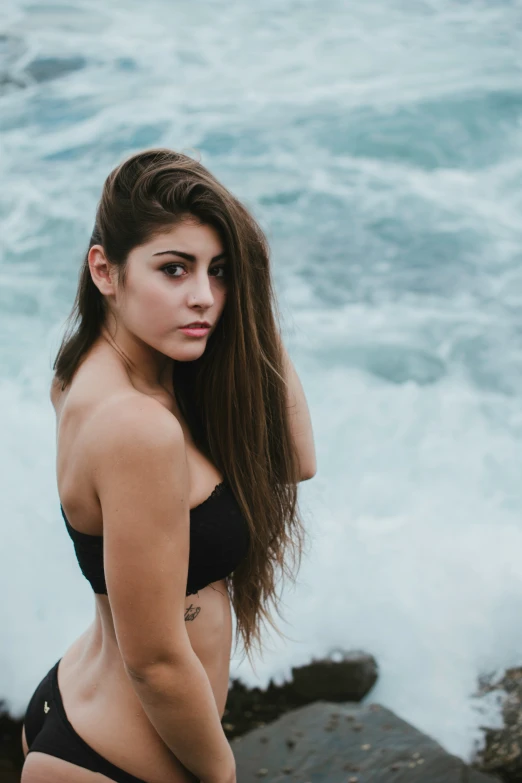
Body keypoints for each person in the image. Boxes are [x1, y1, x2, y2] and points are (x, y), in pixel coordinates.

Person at [20, 148, 316, 783]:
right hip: (116, 759)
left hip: (81, 701)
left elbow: (295, 460)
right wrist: (221, 777)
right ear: (105, 269)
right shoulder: (139, 429)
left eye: (221, 271)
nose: (205, 297)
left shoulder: (84, 374)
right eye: (174, 270)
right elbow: (154, 658)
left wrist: (253, 302)